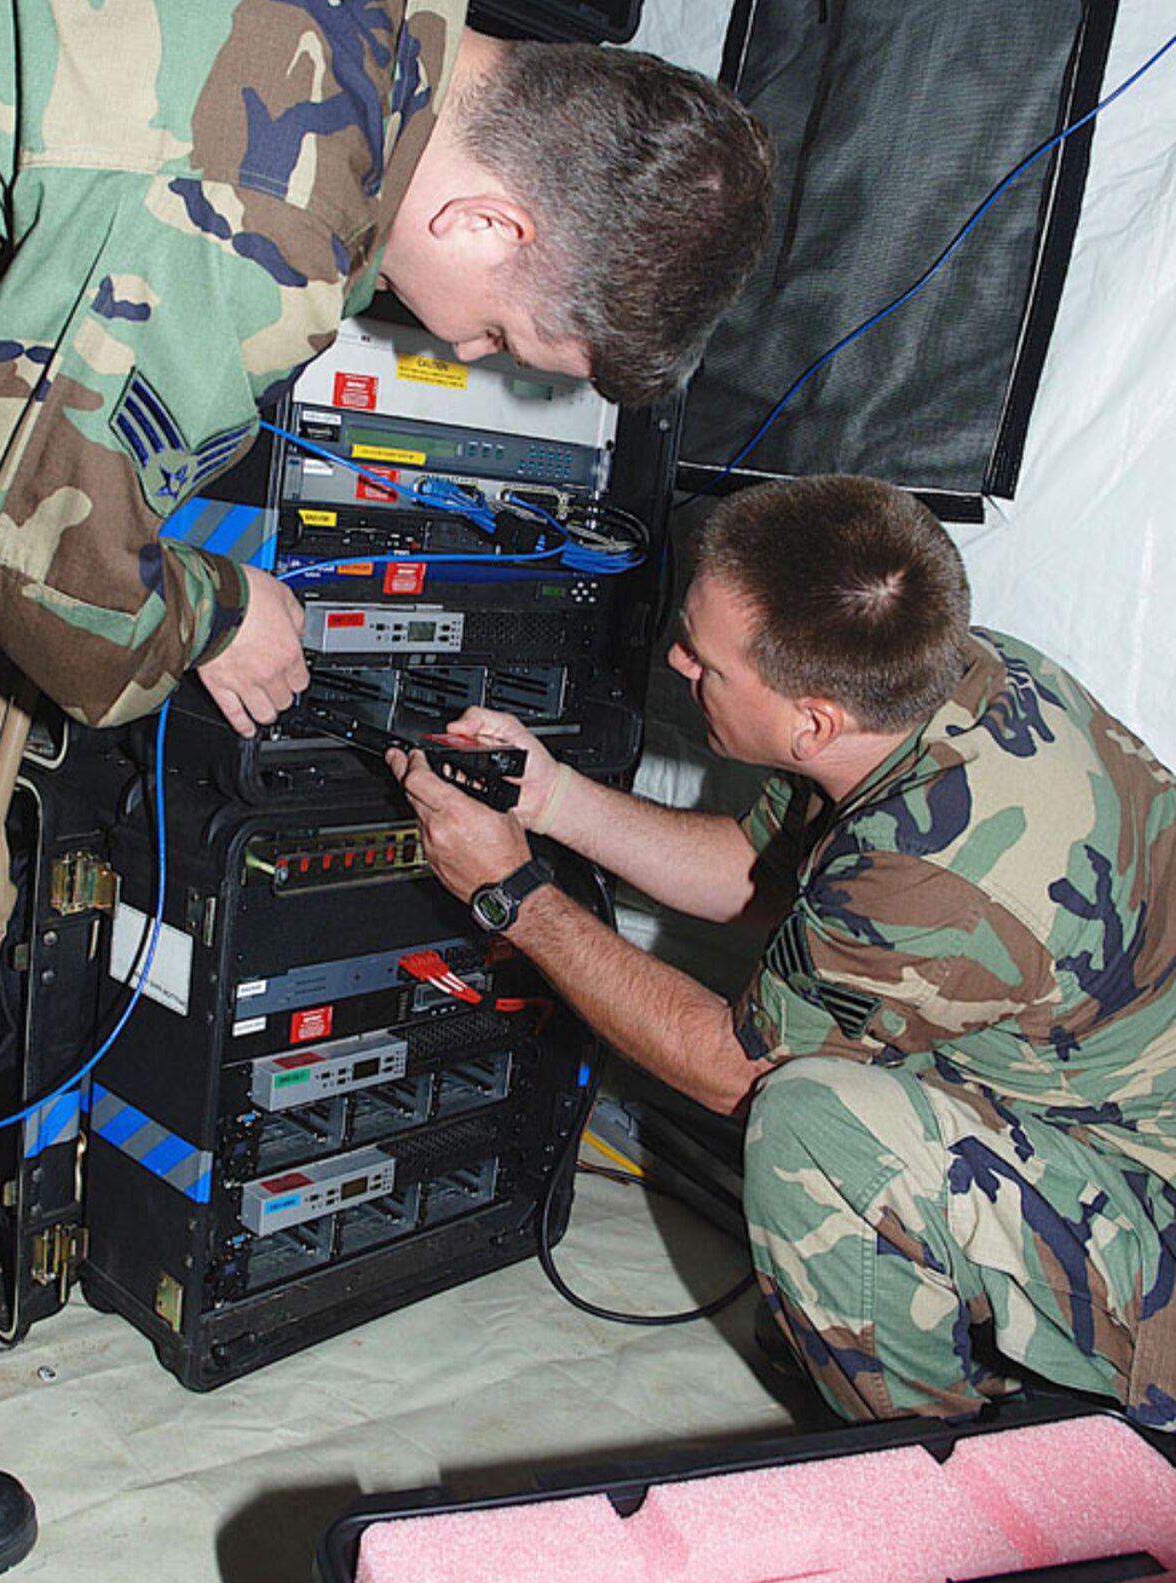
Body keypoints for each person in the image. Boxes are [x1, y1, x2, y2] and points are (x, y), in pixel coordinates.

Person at [0, 0, 772, 1583]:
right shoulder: (273, 197)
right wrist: (217, 608)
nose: (454, 352)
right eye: (510, 336)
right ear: (507, 225)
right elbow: (54, 561)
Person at [390, 472, 1176, 1433]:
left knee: (813, 1129)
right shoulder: (949, 682)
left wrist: (513, 896)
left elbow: (732, 1070)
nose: (678, 661)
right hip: (1084, 1104)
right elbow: (751, 875)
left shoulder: (930, 873)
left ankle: (933, 1475)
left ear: (812, 721)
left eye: (707, 664)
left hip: (1154, 1218)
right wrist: (549, 799)